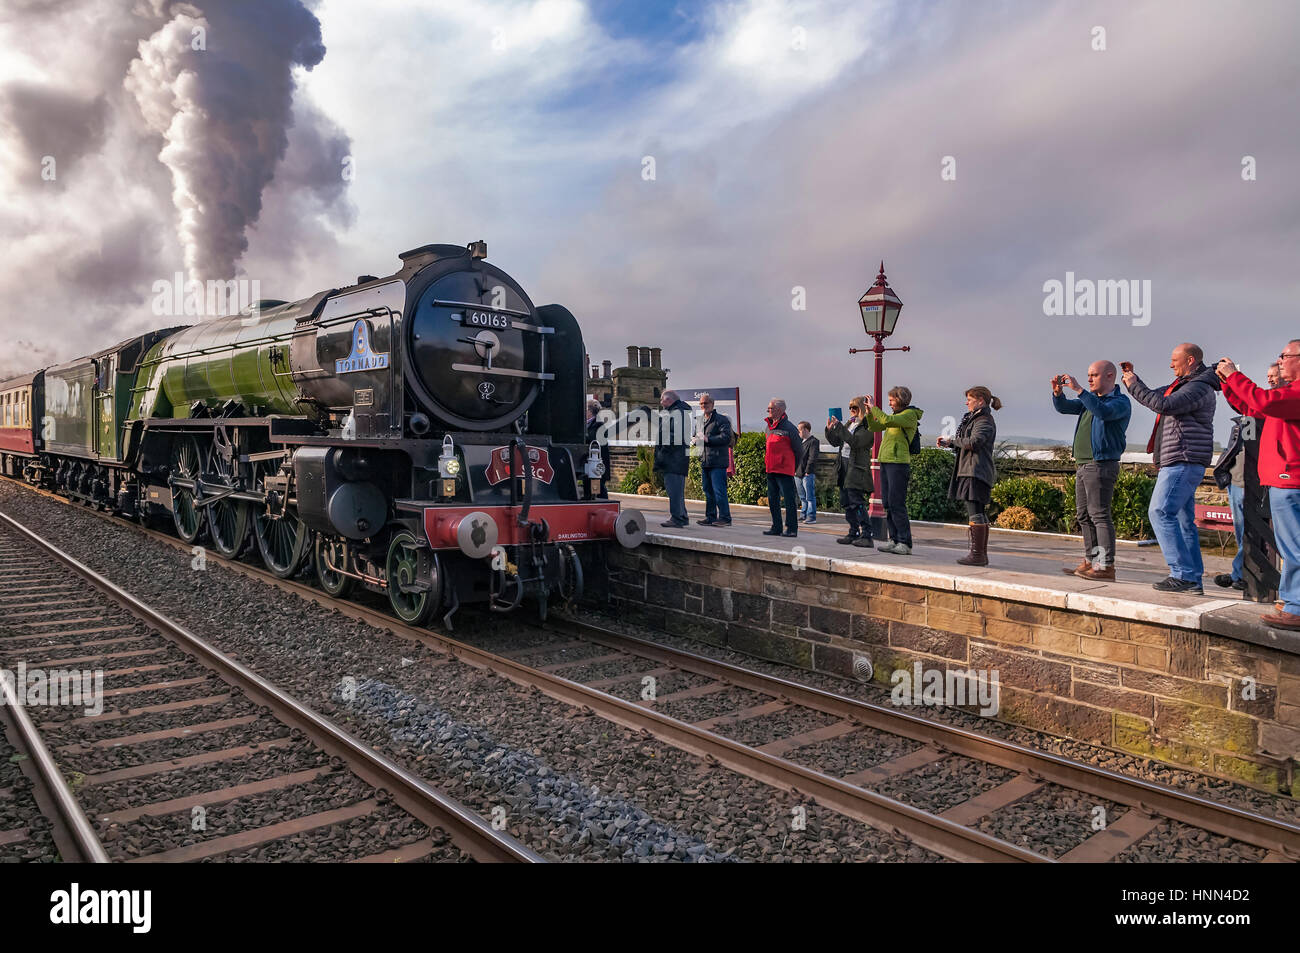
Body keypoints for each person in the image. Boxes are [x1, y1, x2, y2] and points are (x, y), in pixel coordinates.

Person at [1122, 343, 1220, 594]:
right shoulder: (1184, 386)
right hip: (1180, 460)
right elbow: (1155, 396)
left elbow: (1163, 405)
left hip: (1183, 460)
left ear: (1190, 360)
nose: (1170, 364)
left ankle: (1182, 574)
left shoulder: (1199, 387)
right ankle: (1192, 581)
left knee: (1159, 512)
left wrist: (1134, 384)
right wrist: (1133, 380)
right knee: (1183, 521)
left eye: (1174, 360)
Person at [1218, 342, 1300, 629]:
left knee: (1294, 547)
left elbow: (1263, 402)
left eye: (1284, 356)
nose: (1279, 362)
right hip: (1284, 480)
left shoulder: (1297, 392)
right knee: (1290, 546)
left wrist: (1234, 376)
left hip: (1291, 480)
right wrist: (1227, 383)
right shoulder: (1288, 395)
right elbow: (1253, 408)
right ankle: (1292, 601)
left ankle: (1297, 607)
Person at [1051, 361, 1132, 580]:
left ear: (1109, 376)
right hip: (1083, 464)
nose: (1089, 379)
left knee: (1099, 515)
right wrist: (1058, 394)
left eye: (1093, 375)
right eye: (1088, 375)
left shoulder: (1119, 402)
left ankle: (1105, 566)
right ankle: (1091, 561)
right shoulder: (1090, 401)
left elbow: (1104, 413)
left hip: (1101, 465)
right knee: (1084, 515)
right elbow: (1064, 408)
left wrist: (1079, 390)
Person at [937, 386, 1001, 566]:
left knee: (975, 513)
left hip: (975, 471)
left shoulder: (984, 420)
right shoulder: (978, 418)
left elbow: (974, 442)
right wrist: (950, 444)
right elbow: (967, 442)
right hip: (973, 470)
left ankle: (977, 555)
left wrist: (952, 441)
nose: (967, 403)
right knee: (978, 513)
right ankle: (979, 554)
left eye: (970, 399)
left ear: (980, 400)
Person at [865, 386, 923, 555]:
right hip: (887, 460)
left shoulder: (909, 415)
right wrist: (870, 413)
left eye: (891, 400)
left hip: (898, 463)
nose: (889, 403)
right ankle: (894, 539)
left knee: (897, 503)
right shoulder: (896, 416)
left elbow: (885, 421)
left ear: (900, 399)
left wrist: (875, 407)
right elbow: (875, 426)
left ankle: (905, 543)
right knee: (888, 503)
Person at [826, 397, 875, 548]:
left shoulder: (867, 426)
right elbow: (836, 442)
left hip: (856, 467)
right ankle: (853, 531)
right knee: (846, 501)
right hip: (844, 465)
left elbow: (856, 442)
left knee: (856, 501)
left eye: (854, 407)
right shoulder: (850, 423)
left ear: (861, 407)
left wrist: (840, 428)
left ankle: (867, 535)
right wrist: (830, 430)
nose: (851, 410)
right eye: (850, 407)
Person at [653, 390, 692, 528]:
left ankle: (677, 518)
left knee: (673, 489)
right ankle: (682, 516)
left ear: (668, 400)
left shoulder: (677, 413)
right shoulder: (680, 412)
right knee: (677, 490)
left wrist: (663, 451)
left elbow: (673, 436)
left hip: (673, 459)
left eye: (661, 400)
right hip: (678, 458)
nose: (660, 403)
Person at [763, 398, 802, 537]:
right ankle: (776, 527)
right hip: (771, 469)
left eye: (771, 408)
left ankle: (791, 529)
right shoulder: (769, 427)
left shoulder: (789, 428)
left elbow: (799, 450)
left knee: (789, 500)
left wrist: (793, 467)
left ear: (780, 410)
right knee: (772, 499)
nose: (768, 410)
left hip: (784, 470)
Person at [694, 393, 733, 527]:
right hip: (705, 461)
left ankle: (725, 518)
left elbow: (726, 438)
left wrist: (708, 439)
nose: (703, 406)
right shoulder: (700, 421)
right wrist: (695, 440)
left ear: (712, 404)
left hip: (718, 462)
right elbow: (698, 437)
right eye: (701, 404)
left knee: (719, 491)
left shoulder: (721, 420)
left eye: (706, 403)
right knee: (708, 491)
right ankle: (710, 517)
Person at [584, 399, 612, 499]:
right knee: (589, 487)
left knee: (597, 488)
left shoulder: (599, 425)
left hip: (597, 464)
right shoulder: (587, 424)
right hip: (589, 463)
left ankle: (603, 505)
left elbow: (593, 441)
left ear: (589, 411)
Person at [794, 421, 819, 523]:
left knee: (809, 497)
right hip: (797, 473)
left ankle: (811, 517)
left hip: (807, 474)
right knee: (802, 497)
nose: (798, 432)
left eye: (799, 429)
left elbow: (812, 458)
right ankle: (803, 514)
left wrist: (808, 471)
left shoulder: (814, 441)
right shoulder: (800, 442)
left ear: (805, 429)